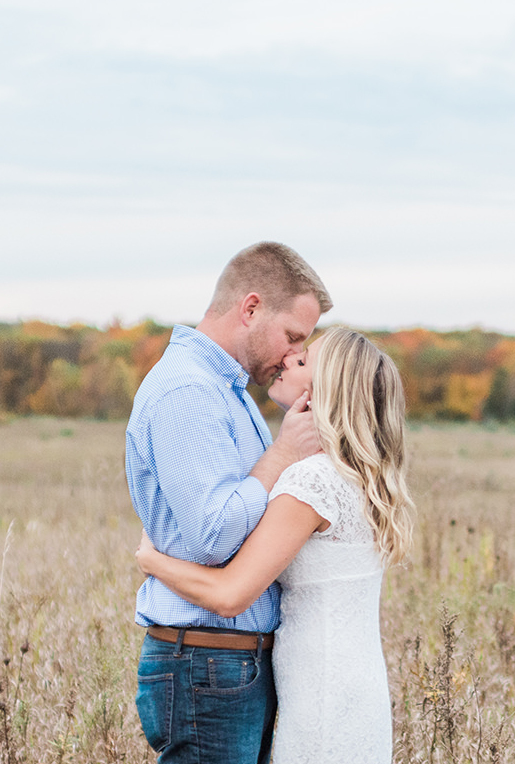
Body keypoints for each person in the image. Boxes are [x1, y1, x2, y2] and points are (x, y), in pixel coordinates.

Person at [136, 326, 415, 764]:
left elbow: (229, 594)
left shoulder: (312, 481)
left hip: (321, 695)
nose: (288, 360)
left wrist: (153, 559)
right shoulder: (358, 477)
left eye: (303, 362)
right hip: (354, 686)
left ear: (326, 392)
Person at [127, 242, 332, 763]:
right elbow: (214, 537)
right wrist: (283, 453)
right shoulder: (189, 391)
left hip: (225, 664)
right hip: (204, 661)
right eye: (292, 337)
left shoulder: (229, 391)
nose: (293, 356)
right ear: (250, 308)